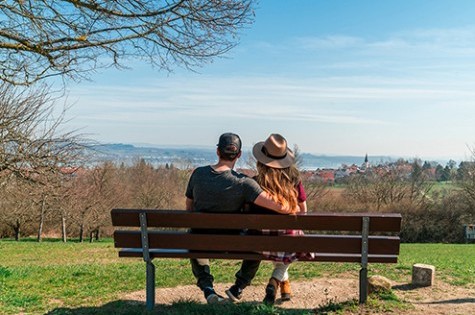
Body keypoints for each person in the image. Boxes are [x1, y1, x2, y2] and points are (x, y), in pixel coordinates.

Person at [185, 132, 295, 304]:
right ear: (239, 155)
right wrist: (293, 206)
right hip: (235, 243)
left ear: (217, 151)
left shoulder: (198, 174)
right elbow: (280, 207)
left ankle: (207, 288)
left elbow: (189, 209)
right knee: (255, 240)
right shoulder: (244, 183)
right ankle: (239, 286)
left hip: (201, 241)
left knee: (194, 235)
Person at [250, 133, 309, 305]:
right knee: (292, 240)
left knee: (284, 245)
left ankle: (285, 287)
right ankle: (275, 281)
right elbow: (303, 211)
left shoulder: (255, 182)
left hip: (261, 241)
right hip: (288, 240)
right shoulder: (294, 180)